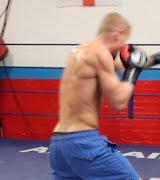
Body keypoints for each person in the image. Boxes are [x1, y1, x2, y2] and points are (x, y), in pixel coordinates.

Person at [49, 12, 146, 180]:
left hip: (59, 144)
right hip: (83, 141)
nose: (124, 45)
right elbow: (118, 101)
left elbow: (118, 66)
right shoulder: (101, 54)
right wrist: (133, 71)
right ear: (118, 33)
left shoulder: (79, 50)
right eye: (124, 39)